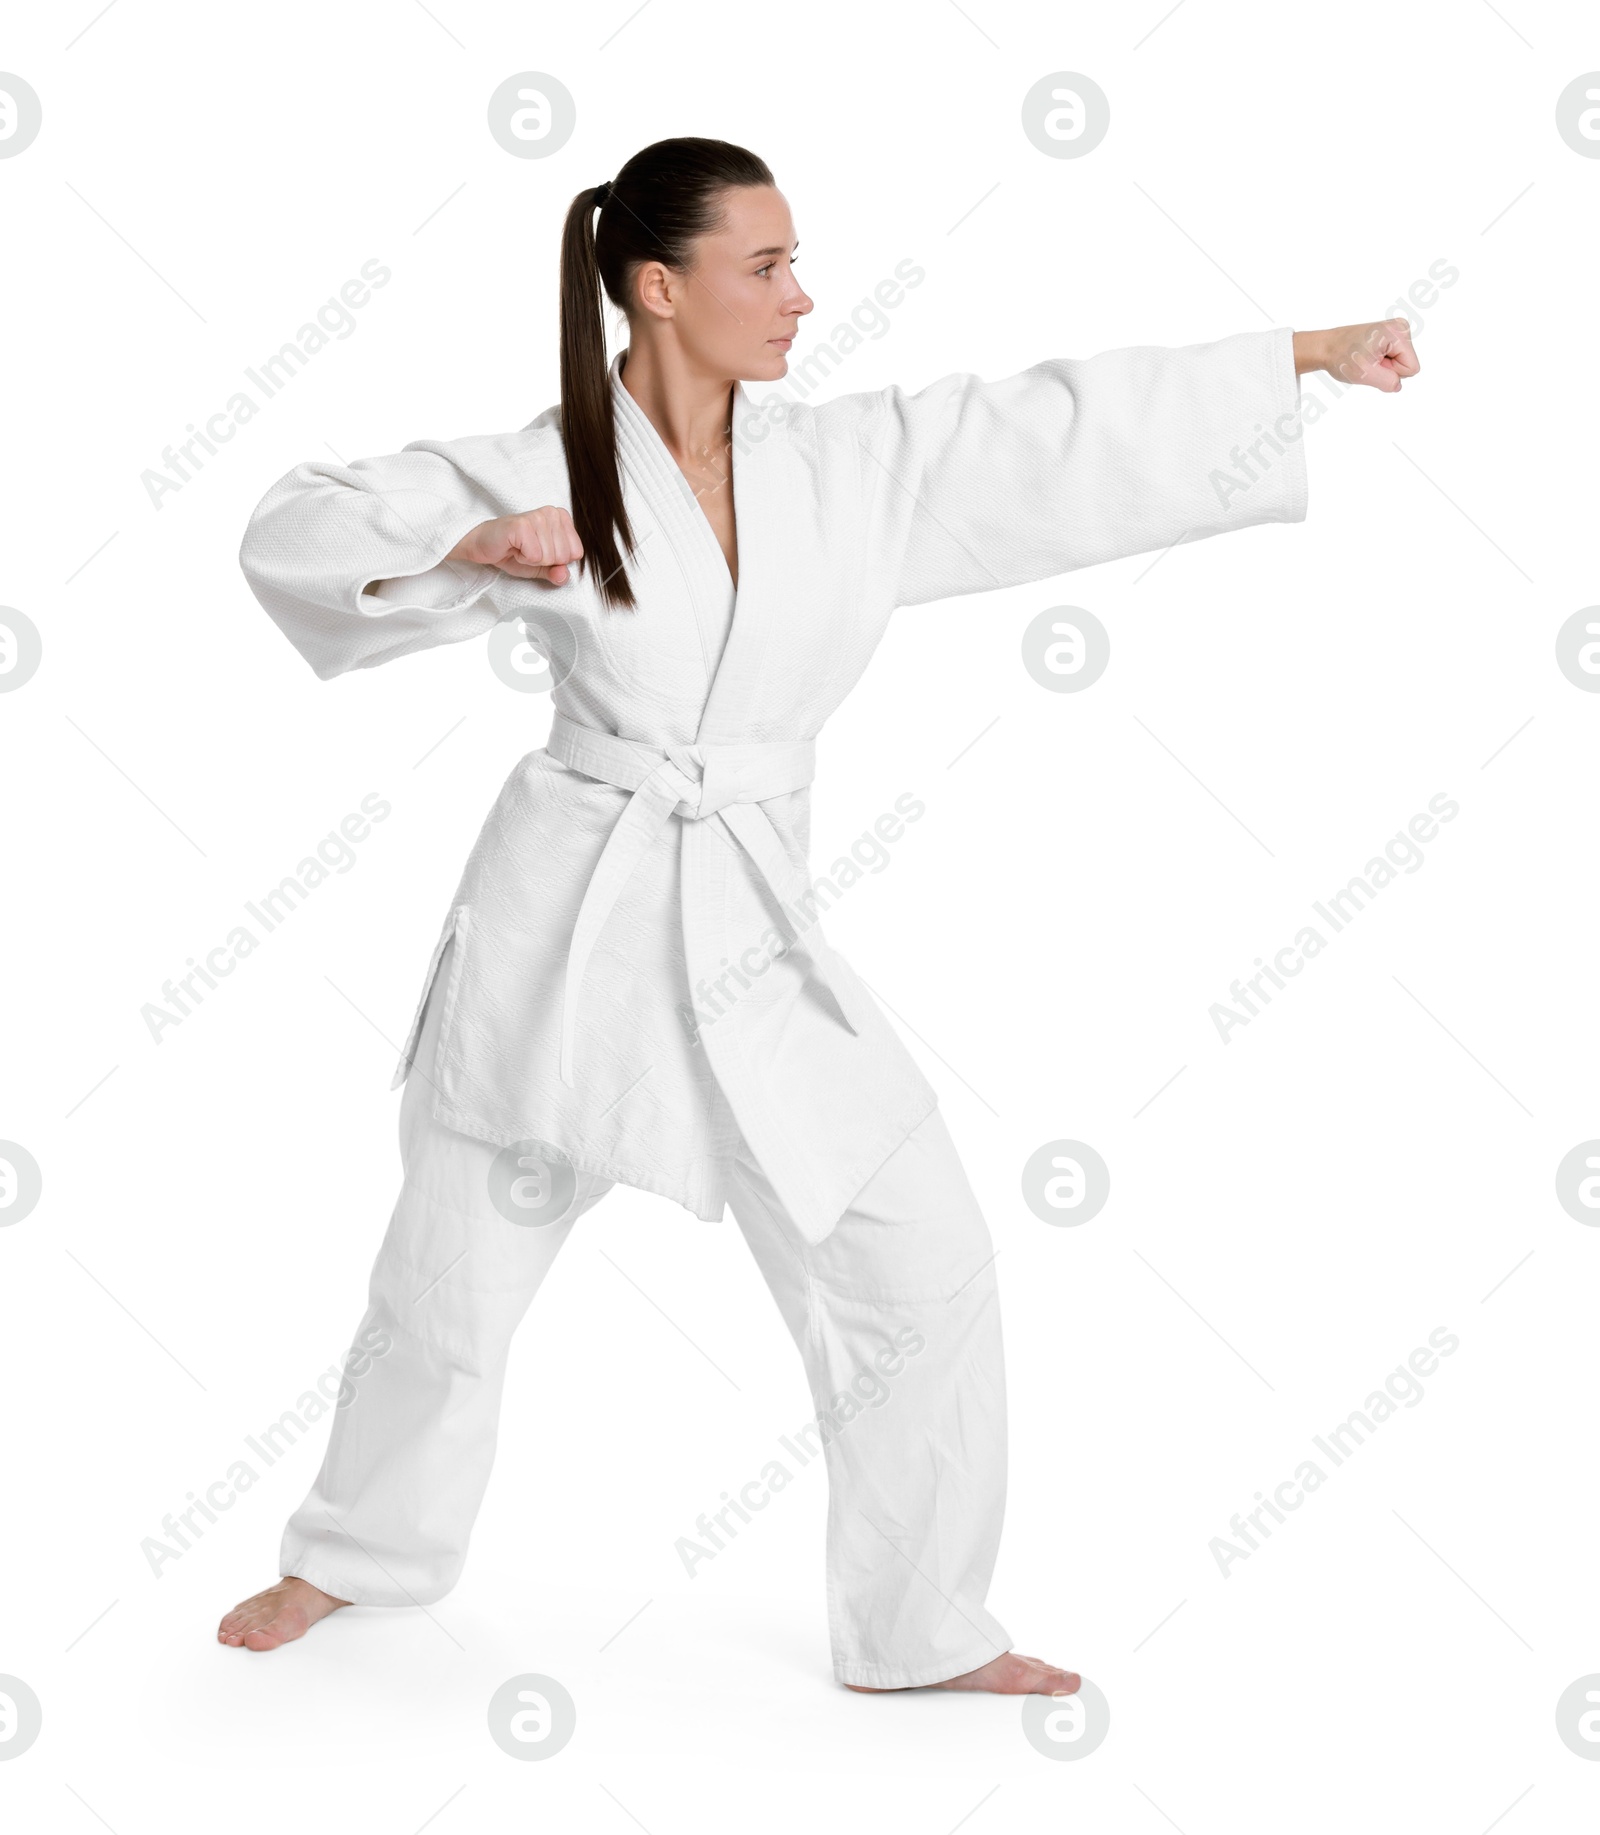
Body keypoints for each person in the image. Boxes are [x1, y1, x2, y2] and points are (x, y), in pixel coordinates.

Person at [220, 136, 1419, 1691]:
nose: (802, 297)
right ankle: (354, 1557)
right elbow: (295, 524)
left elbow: (1042, 431)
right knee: (449, 1279)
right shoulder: (540, 465)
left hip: (751, 929)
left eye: (797, 262)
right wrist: (464, 552)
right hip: (565, 922)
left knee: (921, 1261)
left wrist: (1298, 362)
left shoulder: (844, 466)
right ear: (659, 287)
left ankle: (919, 1630)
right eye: (766, 266)